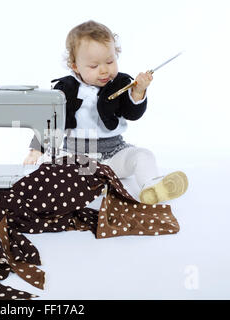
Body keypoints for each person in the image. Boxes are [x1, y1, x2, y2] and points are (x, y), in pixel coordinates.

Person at [23, 20, 188, 205]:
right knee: (47, 165)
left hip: (115, 154)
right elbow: (50, 120)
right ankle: (72, 188)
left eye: (110, 61)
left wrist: (138, 92)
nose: (104, 70)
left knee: (143, 155)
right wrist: (36, 149)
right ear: (75, 66)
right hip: (77, 157)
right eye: (94, 66)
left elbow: (132, 113)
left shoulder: (121, 83)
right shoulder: (65, 89)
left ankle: (152, 186)